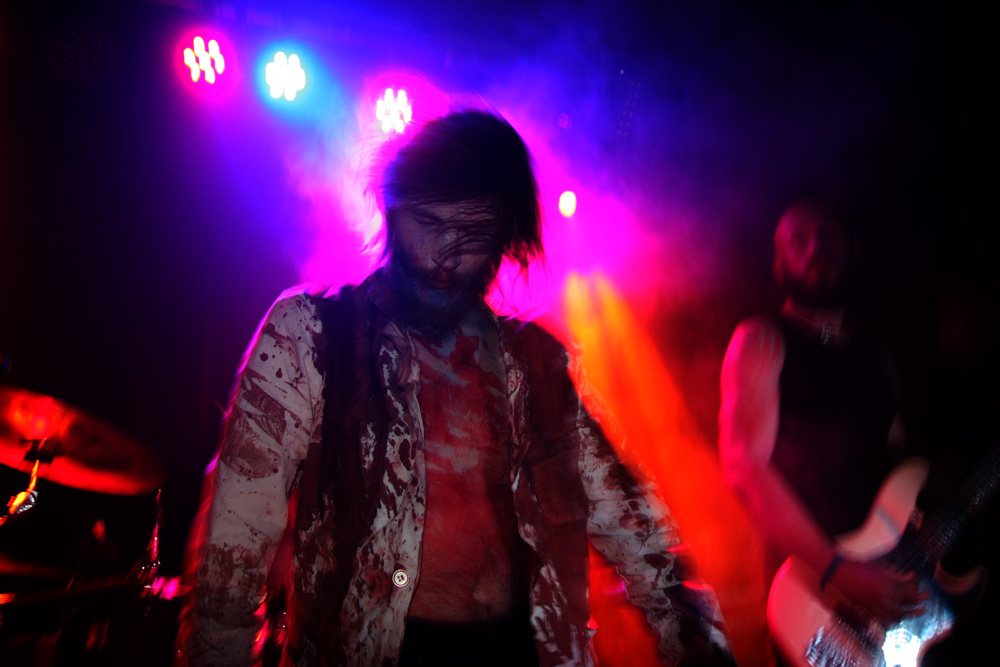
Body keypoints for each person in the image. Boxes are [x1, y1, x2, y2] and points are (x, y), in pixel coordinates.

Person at [175, 110, 734, 666]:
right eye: (428, 221)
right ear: (391, 209)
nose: (446, 254)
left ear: (505, 238)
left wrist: (701, 648)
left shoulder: (535, 361)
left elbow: (637, 529)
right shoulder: (311, 332)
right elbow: (234, 544)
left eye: (473, 233)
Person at [718, 200, 925, 661]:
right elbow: (743, 469)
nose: (816, 247)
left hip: (887, 606)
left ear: (853, 250)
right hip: (808, 604)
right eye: (800, 240)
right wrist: (842, 572)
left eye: (829, 235)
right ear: (779, 265)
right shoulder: (762, 338)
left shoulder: (879, 362)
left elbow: (903, 475)